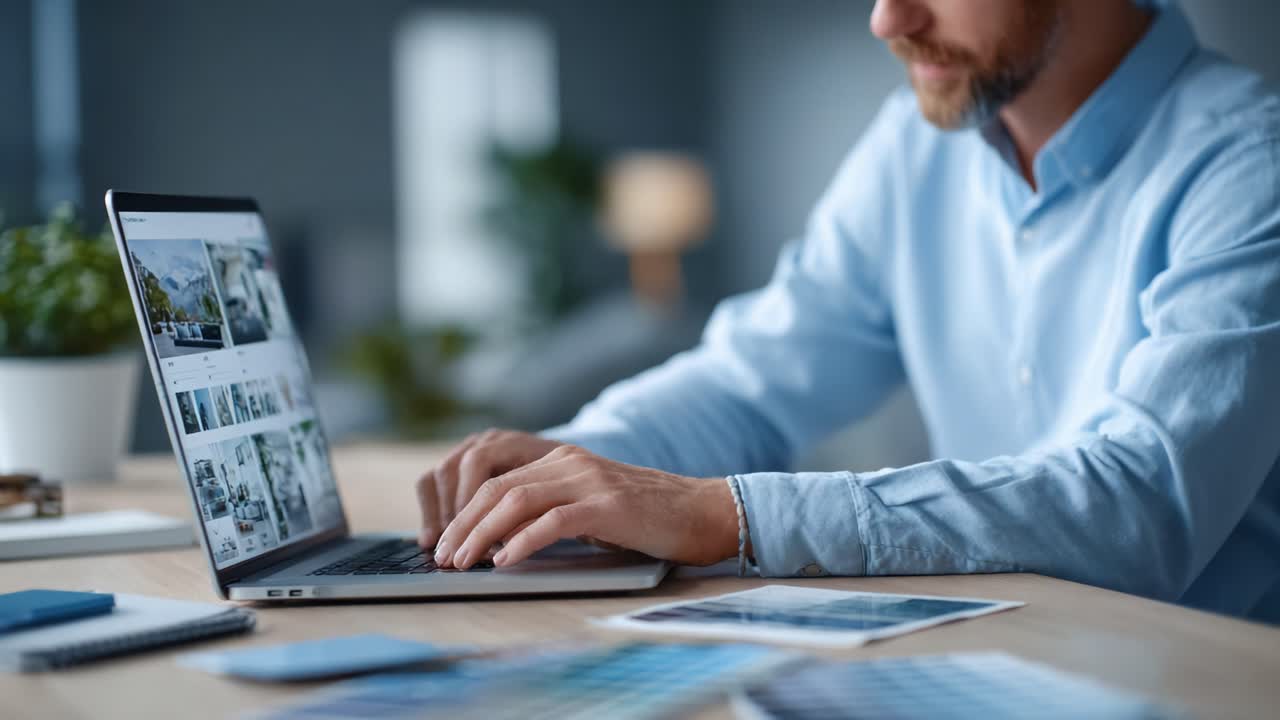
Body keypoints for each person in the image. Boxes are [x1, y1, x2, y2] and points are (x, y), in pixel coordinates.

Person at [415, 0, 1280, 622]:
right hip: (995, 659)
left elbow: (1138, 505)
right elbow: (758, 378)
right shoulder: (915, 143)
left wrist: (732, 514)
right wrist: (571, 469)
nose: (886, 20)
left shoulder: (1249, 166)